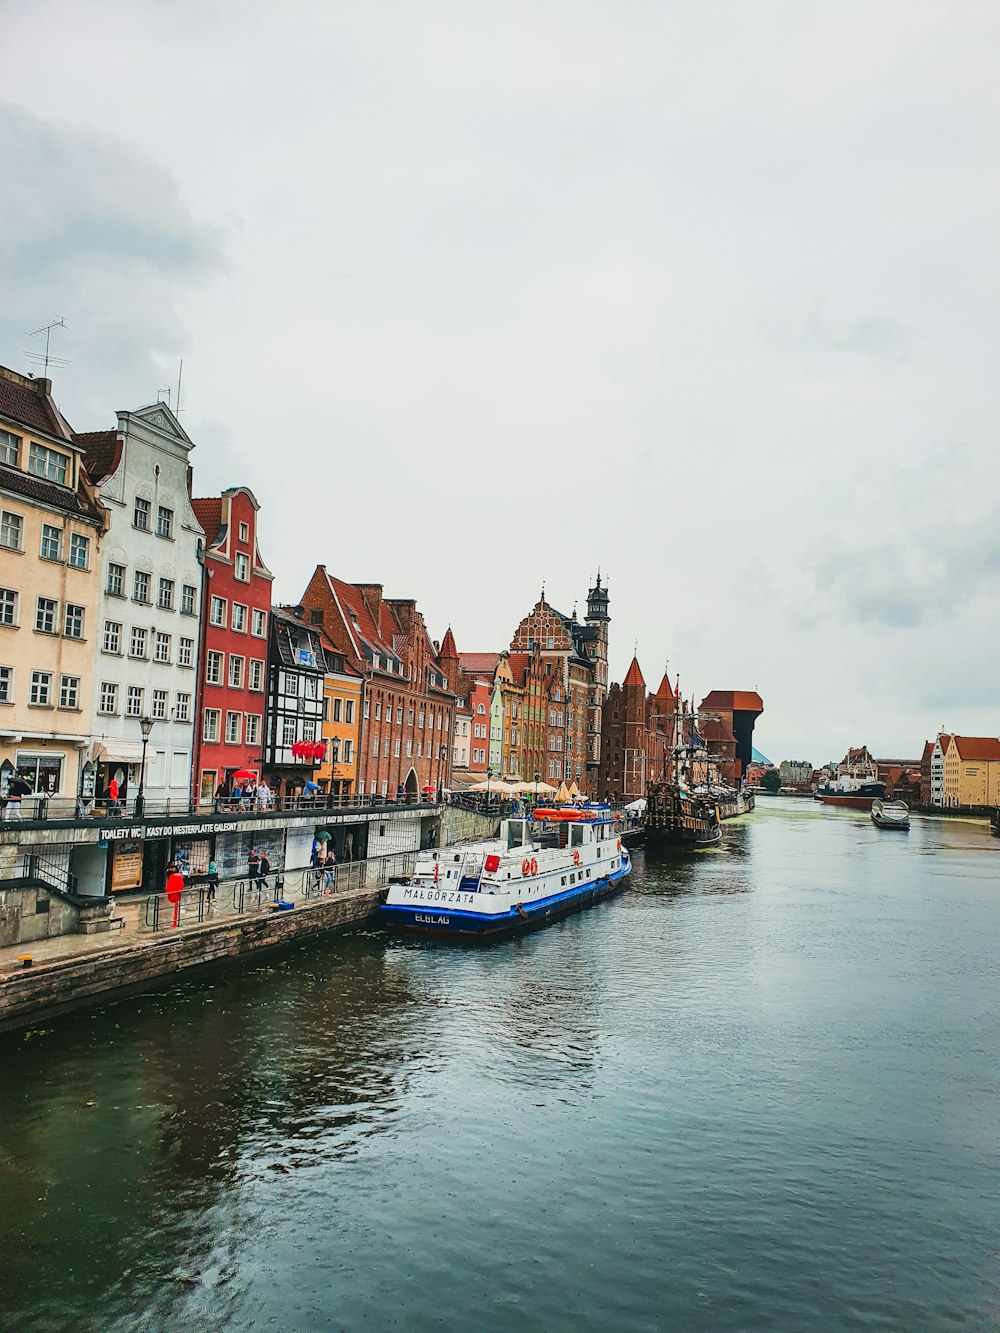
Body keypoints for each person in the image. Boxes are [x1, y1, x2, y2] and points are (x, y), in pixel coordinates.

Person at [165, 862, 185, 928]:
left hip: (174, 891)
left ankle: (174, 923)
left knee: (175, 906)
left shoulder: (174, 875)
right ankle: (174, 922)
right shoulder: (174, 874)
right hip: (175, 891)